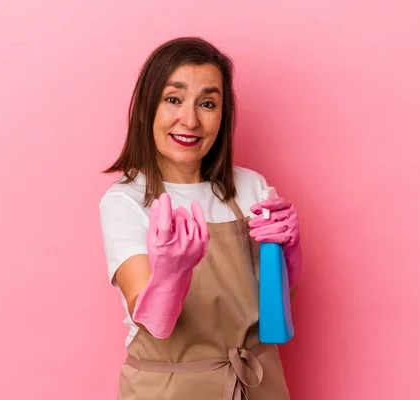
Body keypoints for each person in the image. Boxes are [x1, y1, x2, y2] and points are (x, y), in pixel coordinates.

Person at [99, 36, 303, 400]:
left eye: (207, 103)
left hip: (258, 380)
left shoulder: (250, 186)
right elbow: (155, 326)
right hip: (170, 388)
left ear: (222, 116)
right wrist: (173, 272)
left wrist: (290, 252)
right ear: (148, 108)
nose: (190, 120)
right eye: (173, 99)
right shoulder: (124, 201)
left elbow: (280, 298)